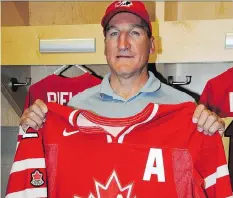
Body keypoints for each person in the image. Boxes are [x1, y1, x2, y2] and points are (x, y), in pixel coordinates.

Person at [20, 0, 225, 136]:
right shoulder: (75, 108)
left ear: (152, 45)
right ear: (105, 46)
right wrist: (32, 130)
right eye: (114, 33)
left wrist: (211, 132)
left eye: (135, 32)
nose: (123, 43)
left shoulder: (185, 108)